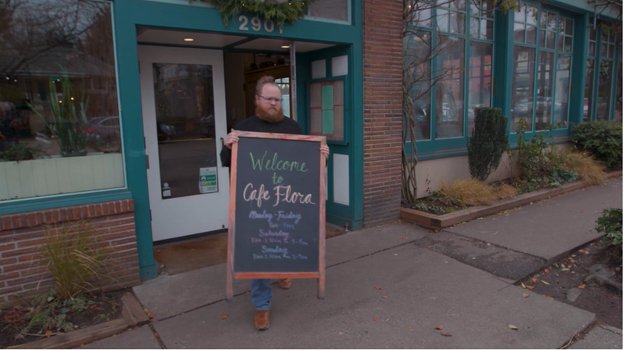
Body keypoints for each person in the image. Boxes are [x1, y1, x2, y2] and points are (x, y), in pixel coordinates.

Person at [220, 75, 329, 331]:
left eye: (278, 100)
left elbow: (310, 167)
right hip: (258, 205)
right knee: (259, 252)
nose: (274, 104)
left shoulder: (293, 128)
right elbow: (228, 161)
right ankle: (262, 306)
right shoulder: (244, 129)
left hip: (291, 200)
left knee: (287, 239)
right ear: (257, 99)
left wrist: (323, 156)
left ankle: (284, 268)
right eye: (269, 99)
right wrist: (227, 146)